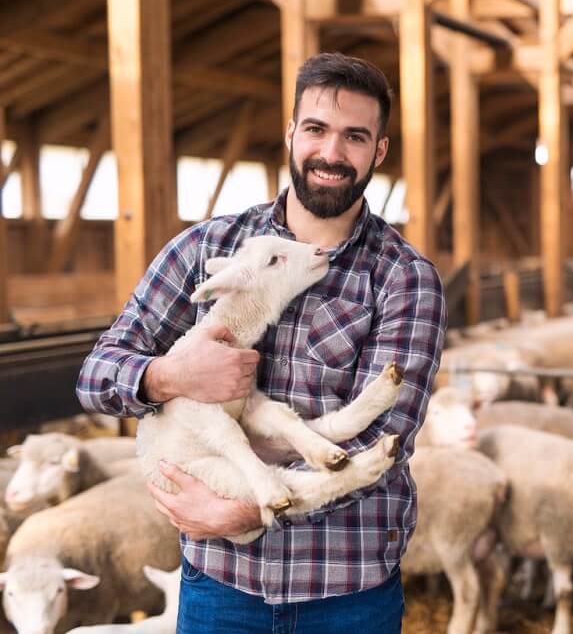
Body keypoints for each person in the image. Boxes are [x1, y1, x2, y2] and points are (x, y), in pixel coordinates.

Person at [76, 53, 446, 633]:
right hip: (222, 589)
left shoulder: (405, 278)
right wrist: (171, 376)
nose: (331, 152)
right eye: (317, 129)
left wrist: (246, 508)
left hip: (345, 590)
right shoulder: (206, 248)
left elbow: (384, 437)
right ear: (291, 133)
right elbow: (96, 376)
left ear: (379, 151)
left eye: (354, 136)